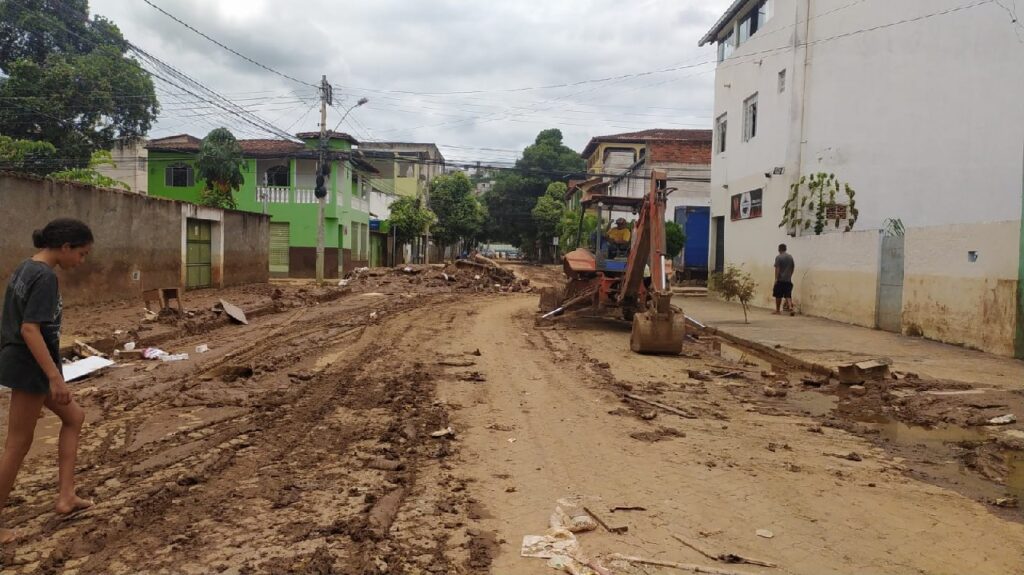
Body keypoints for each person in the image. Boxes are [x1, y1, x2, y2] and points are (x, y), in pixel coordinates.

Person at [0, 218, 95, 544]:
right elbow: (29, 329)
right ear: (65, 247)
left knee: (75, 417)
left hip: (30, 365)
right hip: (30, 368)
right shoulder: (44, 277)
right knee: (17, 444)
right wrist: (55, 377)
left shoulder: (26, 268)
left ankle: (66, 496)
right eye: (81, 254)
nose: (81, 261)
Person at [773, 243, 795, 316]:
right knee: (788, 295)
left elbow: (777, 268)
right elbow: (792, 267)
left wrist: (776, 279)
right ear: (785, 249)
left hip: (780, 280)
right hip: (788, 280)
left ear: (779, 249)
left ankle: (778, 310)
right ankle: (791, 307)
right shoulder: (790, 257)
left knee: (778, 295)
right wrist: (790, 276)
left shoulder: (778, 257)